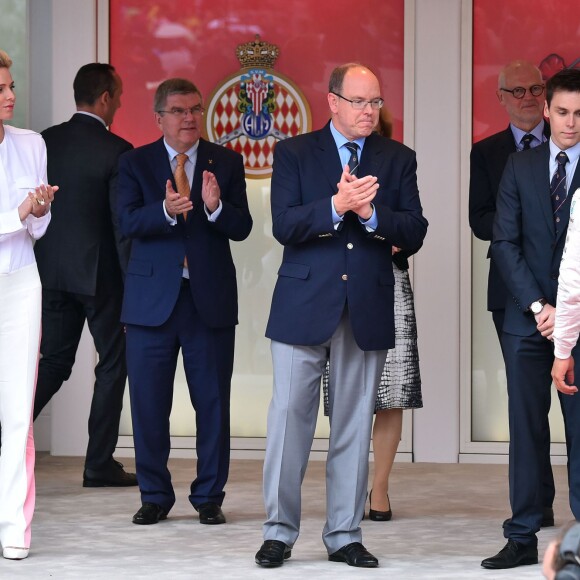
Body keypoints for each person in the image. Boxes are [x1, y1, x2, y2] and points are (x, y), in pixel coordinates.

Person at [255, 63, 428, 569]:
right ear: (332, 102)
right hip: (302, 306)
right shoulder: (293, 152)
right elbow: (284, 224)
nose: (369, 112)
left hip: (366, 306)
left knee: (353, 424)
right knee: (289, 421)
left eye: (375, 102)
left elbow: (415, 228)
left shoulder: (398, 158)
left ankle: (345, 534)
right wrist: (335, 205)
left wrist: (372, 216)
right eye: (359, 102)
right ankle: (279, 532)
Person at [117, 78, 252, 526]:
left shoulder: (226, 162)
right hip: (150, 303)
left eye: (195, 109)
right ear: (159, 118)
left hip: (207, 300)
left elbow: (243, 226)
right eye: (178, 111)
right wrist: (164, 210)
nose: (189, 118)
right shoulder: (134, 162)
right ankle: (154, 495)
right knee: (149, 404)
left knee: (212, 403)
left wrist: (213, 208)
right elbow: (125, 220)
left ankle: (209, 496)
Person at [483, 68, 580, 570]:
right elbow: (504, 242)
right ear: (546, 110)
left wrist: (567, 313)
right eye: (562, 112)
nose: (570, 122)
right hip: (528, 320)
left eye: (579, 113)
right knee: (525, 427)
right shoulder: (520, 167)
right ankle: (522, 534)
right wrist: (541, 308)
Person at [32, 63, 136, 488]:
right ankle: (97, 464)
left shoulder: (45, 141)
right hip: (101, 276)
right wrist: (134, 282)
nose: (121, 103)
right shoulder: (118, 150)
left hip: (50, 271)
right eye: (120, 96)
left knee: (54, 362)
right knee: (113, 361)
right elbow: (120, 224)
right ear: (106, 98)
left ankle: (4, 434)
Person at [321, 107, 423, 522]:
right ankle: (348, 490)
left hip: (389, 284)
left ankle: (378, 490)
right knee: (347, 395)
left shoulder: (398, 162)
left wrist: (394, 237)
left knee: (391, 395)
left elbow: (413, 226)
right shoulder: (320, 159)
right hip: (338, 287)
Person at [469, 60, 555, 529]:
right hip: (513, 291)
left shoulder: (570, 147)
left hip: (568, 293)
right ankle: (536, 505)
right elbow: (479, 219)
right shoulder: (487, 152)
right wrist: (518, 220)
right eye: (516, 90)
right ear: (501, 97)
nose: (526, 97)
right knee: (526, 405)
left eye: (534, 88)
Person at [0, 49, 58, 560]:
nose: (11, 95)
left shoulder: (30, 143)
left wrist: (37, 210)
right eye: (0, 89)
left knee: (19, 410)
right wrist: (19, 211)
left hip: (20, 283)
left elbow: (36, 229)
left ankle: (13, 526)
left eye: (10, 85)